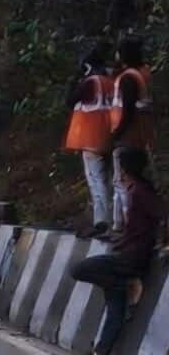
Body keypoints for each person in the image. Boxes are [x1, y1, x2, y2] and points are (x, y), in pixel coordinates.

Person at [67, 147, 164, 355]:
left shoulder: (140, 191)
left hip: (132, 257)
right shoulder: (135, 190)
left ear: (125, 168)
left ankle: (125, 284)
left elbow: (163, 214)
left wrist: (163, 242)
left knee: (79, 269)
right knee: (115, 307)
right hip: (126, 251)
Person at [64, 43, 114, 236]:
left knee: (96, 180)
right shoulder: (110, 81)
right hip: (109, 136)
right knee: (109, 180)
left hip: (91, 138)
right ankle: (113, 222)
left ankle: (102, 222)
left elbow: (70, 101)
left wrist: (77, 77)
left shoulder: (90, 82)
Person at [110, 35, 154, 231]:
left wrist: (117, 133)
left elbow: (127, 110)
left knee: (123, 181)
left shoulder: (128, 78)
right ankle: (121, 224)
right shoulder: (139, 74)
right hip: (138, 134)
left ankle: (129, 224)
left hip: (128, 136)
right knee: (126, 181)